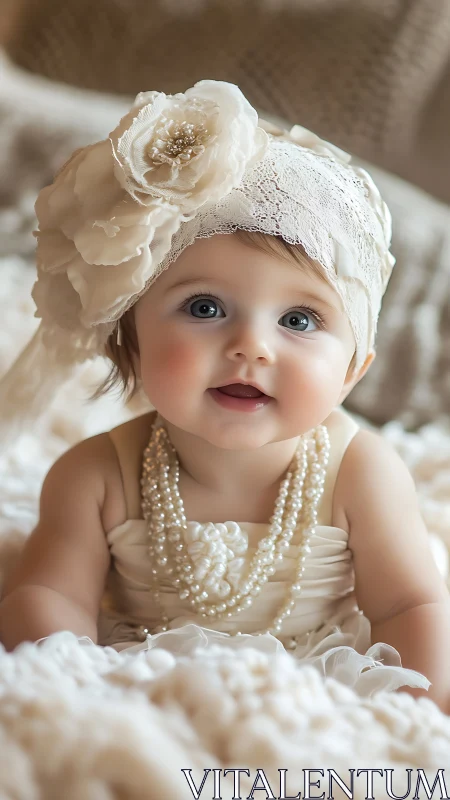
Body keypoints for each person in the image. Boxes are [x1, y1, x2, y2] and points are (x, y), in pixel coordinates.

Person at [0, 80, 449, 712]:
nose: (251, 347)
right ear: (129, 341)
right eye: (205, 308)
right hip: (146, 684)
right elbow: (49, 596)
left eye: (299, 320)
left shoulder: (361, 474)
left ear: (353, 370)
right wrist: (76, 687)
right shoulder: (95, 477)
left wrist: (423, 704)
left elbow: (410, 604)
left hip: (315, 690)